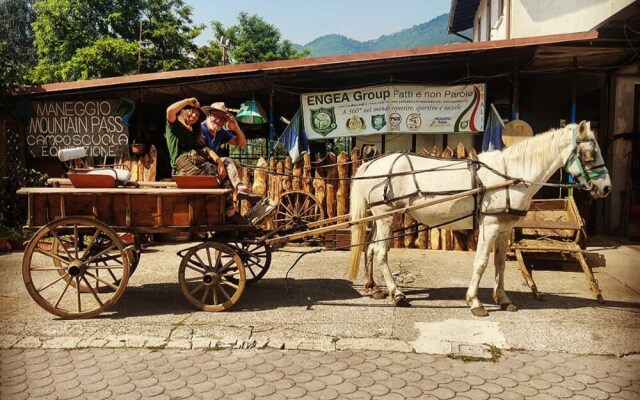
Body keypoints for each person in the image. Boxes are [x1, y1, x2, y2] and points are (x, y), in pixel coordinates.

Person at [165, 97, 259, 223]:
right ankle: (230, 212)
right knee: (223, 172)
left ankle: (228, 211)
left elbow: (238, 144)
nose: (194, 116)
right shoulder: (176, 126)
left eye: (197, 115)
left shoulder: (194, 131)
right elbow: (170, 111)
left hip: (197, 162)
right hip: (184, 164)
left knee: (224, 171)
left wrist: (235, 127)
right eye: (191, 112)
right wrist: (188, 101)